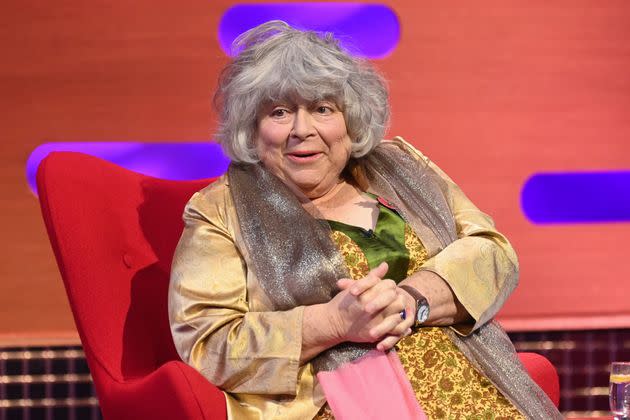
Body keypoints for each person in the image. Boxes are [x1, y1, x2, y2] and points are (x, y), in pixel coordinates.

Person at [169, 21, 562, 419]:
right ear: (251, 129)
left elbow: (492, 251)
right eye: (280, 112)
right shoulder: (220, 209)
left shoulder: (401, 164)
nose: (302, 130)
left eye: (322, 109)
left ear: (350, 119)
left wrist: (413, 300)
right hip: (339, 403)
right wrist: (334, 321)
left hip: (474, 383)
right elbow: (208, 343)